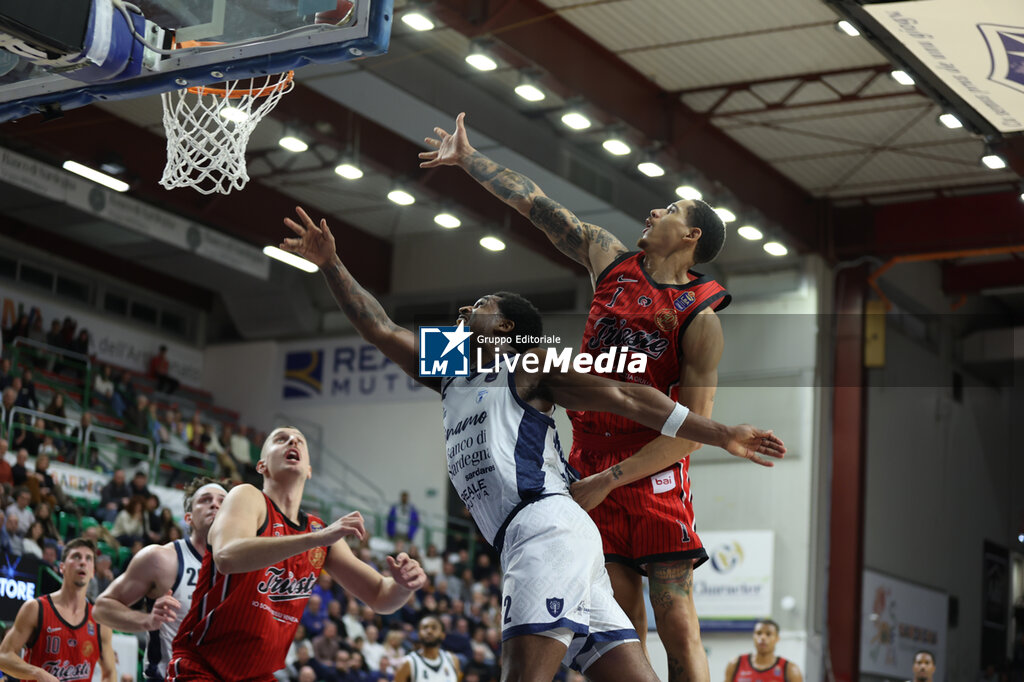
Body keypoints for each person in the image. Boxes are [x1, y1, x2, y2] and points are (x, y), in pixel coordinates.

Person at [279, 207, 784, 681]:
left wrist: (721, 434)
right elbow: (379, 327)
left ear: (505, 328)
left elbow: (626, 396)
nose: (463, 309)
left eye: (478, 307)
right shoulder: (452, 367)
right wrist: (331, 262)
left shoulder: (528, 363)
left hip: (544, 528)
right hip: (546, 538)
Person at [423, 112, 738, 681]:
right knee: (617, 613)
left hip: (651, 460)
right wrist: (469, 160)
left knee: (677, 619)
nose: (653, 212)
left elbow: (691, 428)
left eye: (668, 210)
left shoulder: (701, 319)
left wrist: (616, 478)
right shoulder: (610, 259)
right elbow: (537, 205)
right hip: (588, 455)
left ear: (691, 237)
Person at [167, 426, 427, 681]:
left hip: (258, 675)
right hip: (204, 666)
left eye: (299, 441)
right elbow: (226, 557)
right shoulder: (247, 497)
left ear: (309, 470)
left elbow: (381, 596)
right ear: (262, 465)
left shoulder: (318, 531)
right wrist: (316, 538)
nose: (292, 441)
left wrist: (404, 586)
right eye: (281, 439)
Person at [93, 477, 228, 681]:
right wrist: (147, 620)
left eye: (222, 501)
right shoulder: (161, 558)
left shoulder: (243, 568)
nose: (215, 504)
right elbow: (101, 608)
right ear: (188, 518)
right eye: (205, 500)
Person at [0, 537, 117, 682]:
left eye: (88, 559)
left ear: (92, 571)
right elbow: (3, 657)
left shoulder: (100, 622)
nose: (83, 562)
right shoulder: (36, 609)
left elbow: (110, 673)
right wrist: (38, 673)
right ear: (62, 567)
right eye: (76, 556)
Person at [724, 619, 802, 681]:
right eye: (759, 633)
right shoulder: (735, 664)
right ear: (753, 636)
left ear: (777, 638)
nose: (763, 638)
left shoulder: (790, 669)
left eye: (768, 634)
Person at [394, 616, 460, 682]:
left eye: (434, 628)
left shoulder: (452, 660)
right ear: (418, 634)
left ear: (443, 635)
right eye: (425, 628)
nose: (429, 631)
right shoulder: (407, 663)